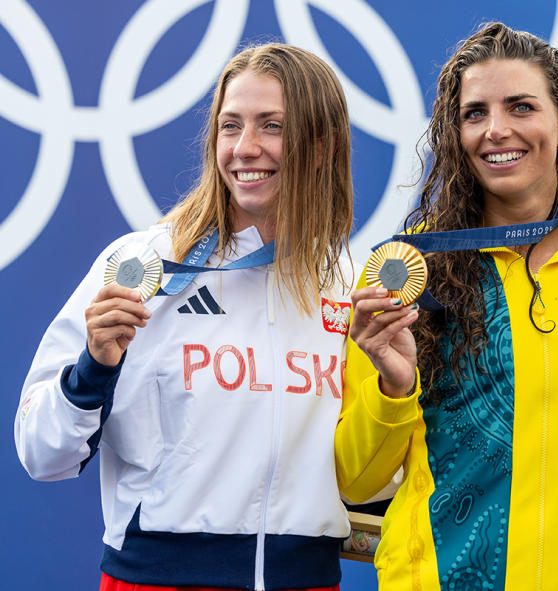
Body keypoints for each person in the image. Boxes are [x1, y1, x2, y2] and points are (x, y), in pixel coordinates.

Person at [337, 22, 558, 591]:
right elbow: (357, 479)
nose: (496, 131)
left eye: (520, 107)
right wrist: (394, 387)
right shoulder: (407, 271)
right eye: (474, 113)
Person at [15, 43, 355, 591]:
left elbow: (366, 474)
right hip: (161, 579)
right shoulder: (144, 265)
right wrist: (92, 371)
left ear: (321, 147)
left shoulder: (343, 284)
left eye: (273, 127)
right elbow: (39, 451)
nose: (246, 148)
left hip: (307, 579)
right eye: (230, 126)